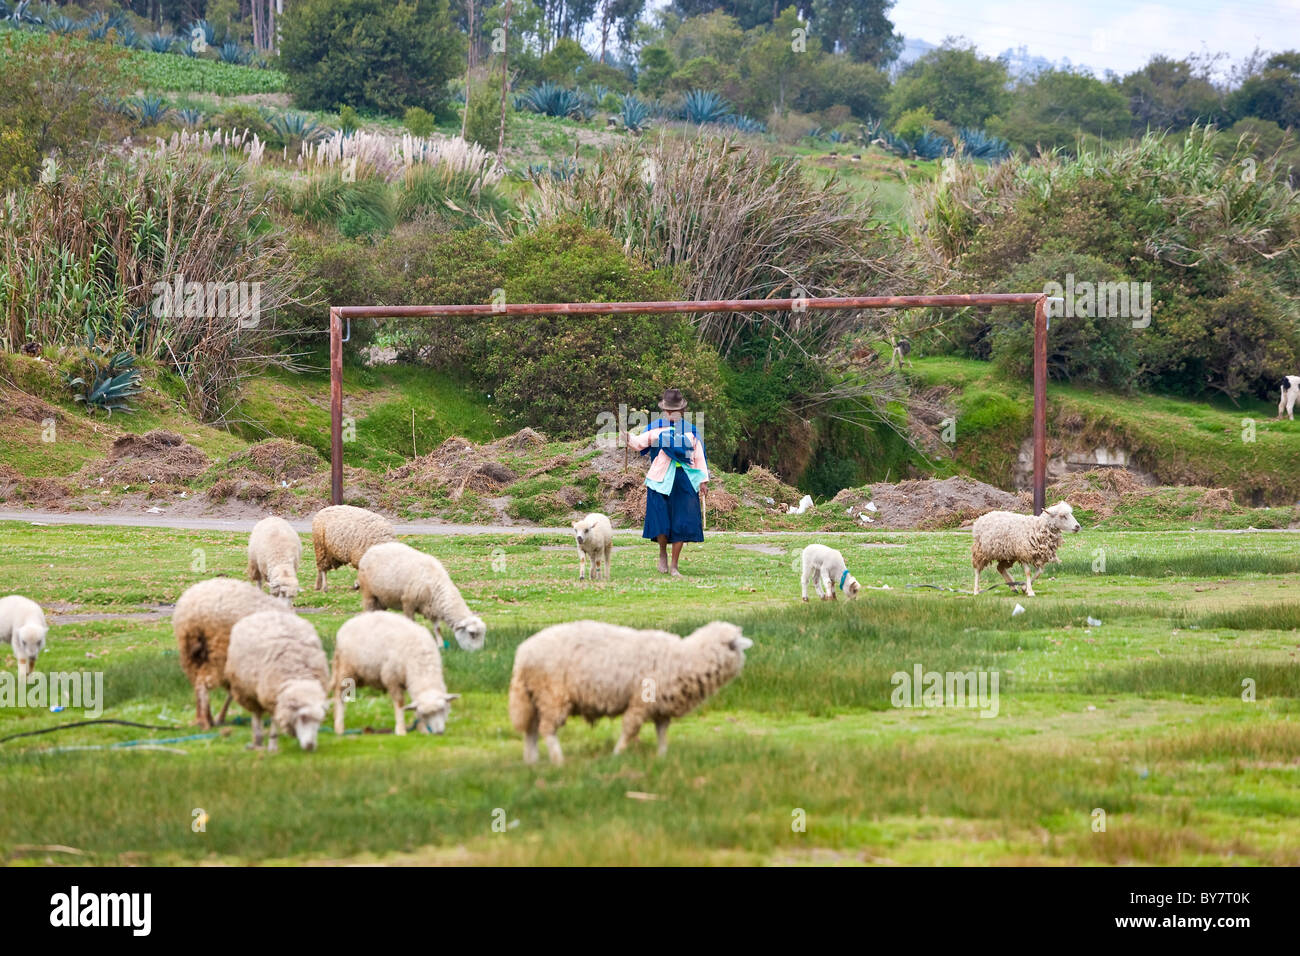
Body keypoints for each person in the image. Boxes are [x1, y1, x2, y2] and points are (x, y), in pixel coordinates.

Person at [625, 388, 708, 577]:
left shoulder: (691, 432)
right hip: (660, 480)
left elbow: (699, 457)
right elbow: (638, 443)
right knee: (661, 520)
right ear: (664, 411)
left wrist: (703, 481)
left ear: (682, 411)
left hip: (684, 481)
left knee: (682, 522)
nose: (671, 414)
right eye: (668, 411)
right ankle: (662, 553)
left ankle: (675, 566)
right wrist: (627, 438)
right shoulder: (655, 429)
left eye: (675, 411)